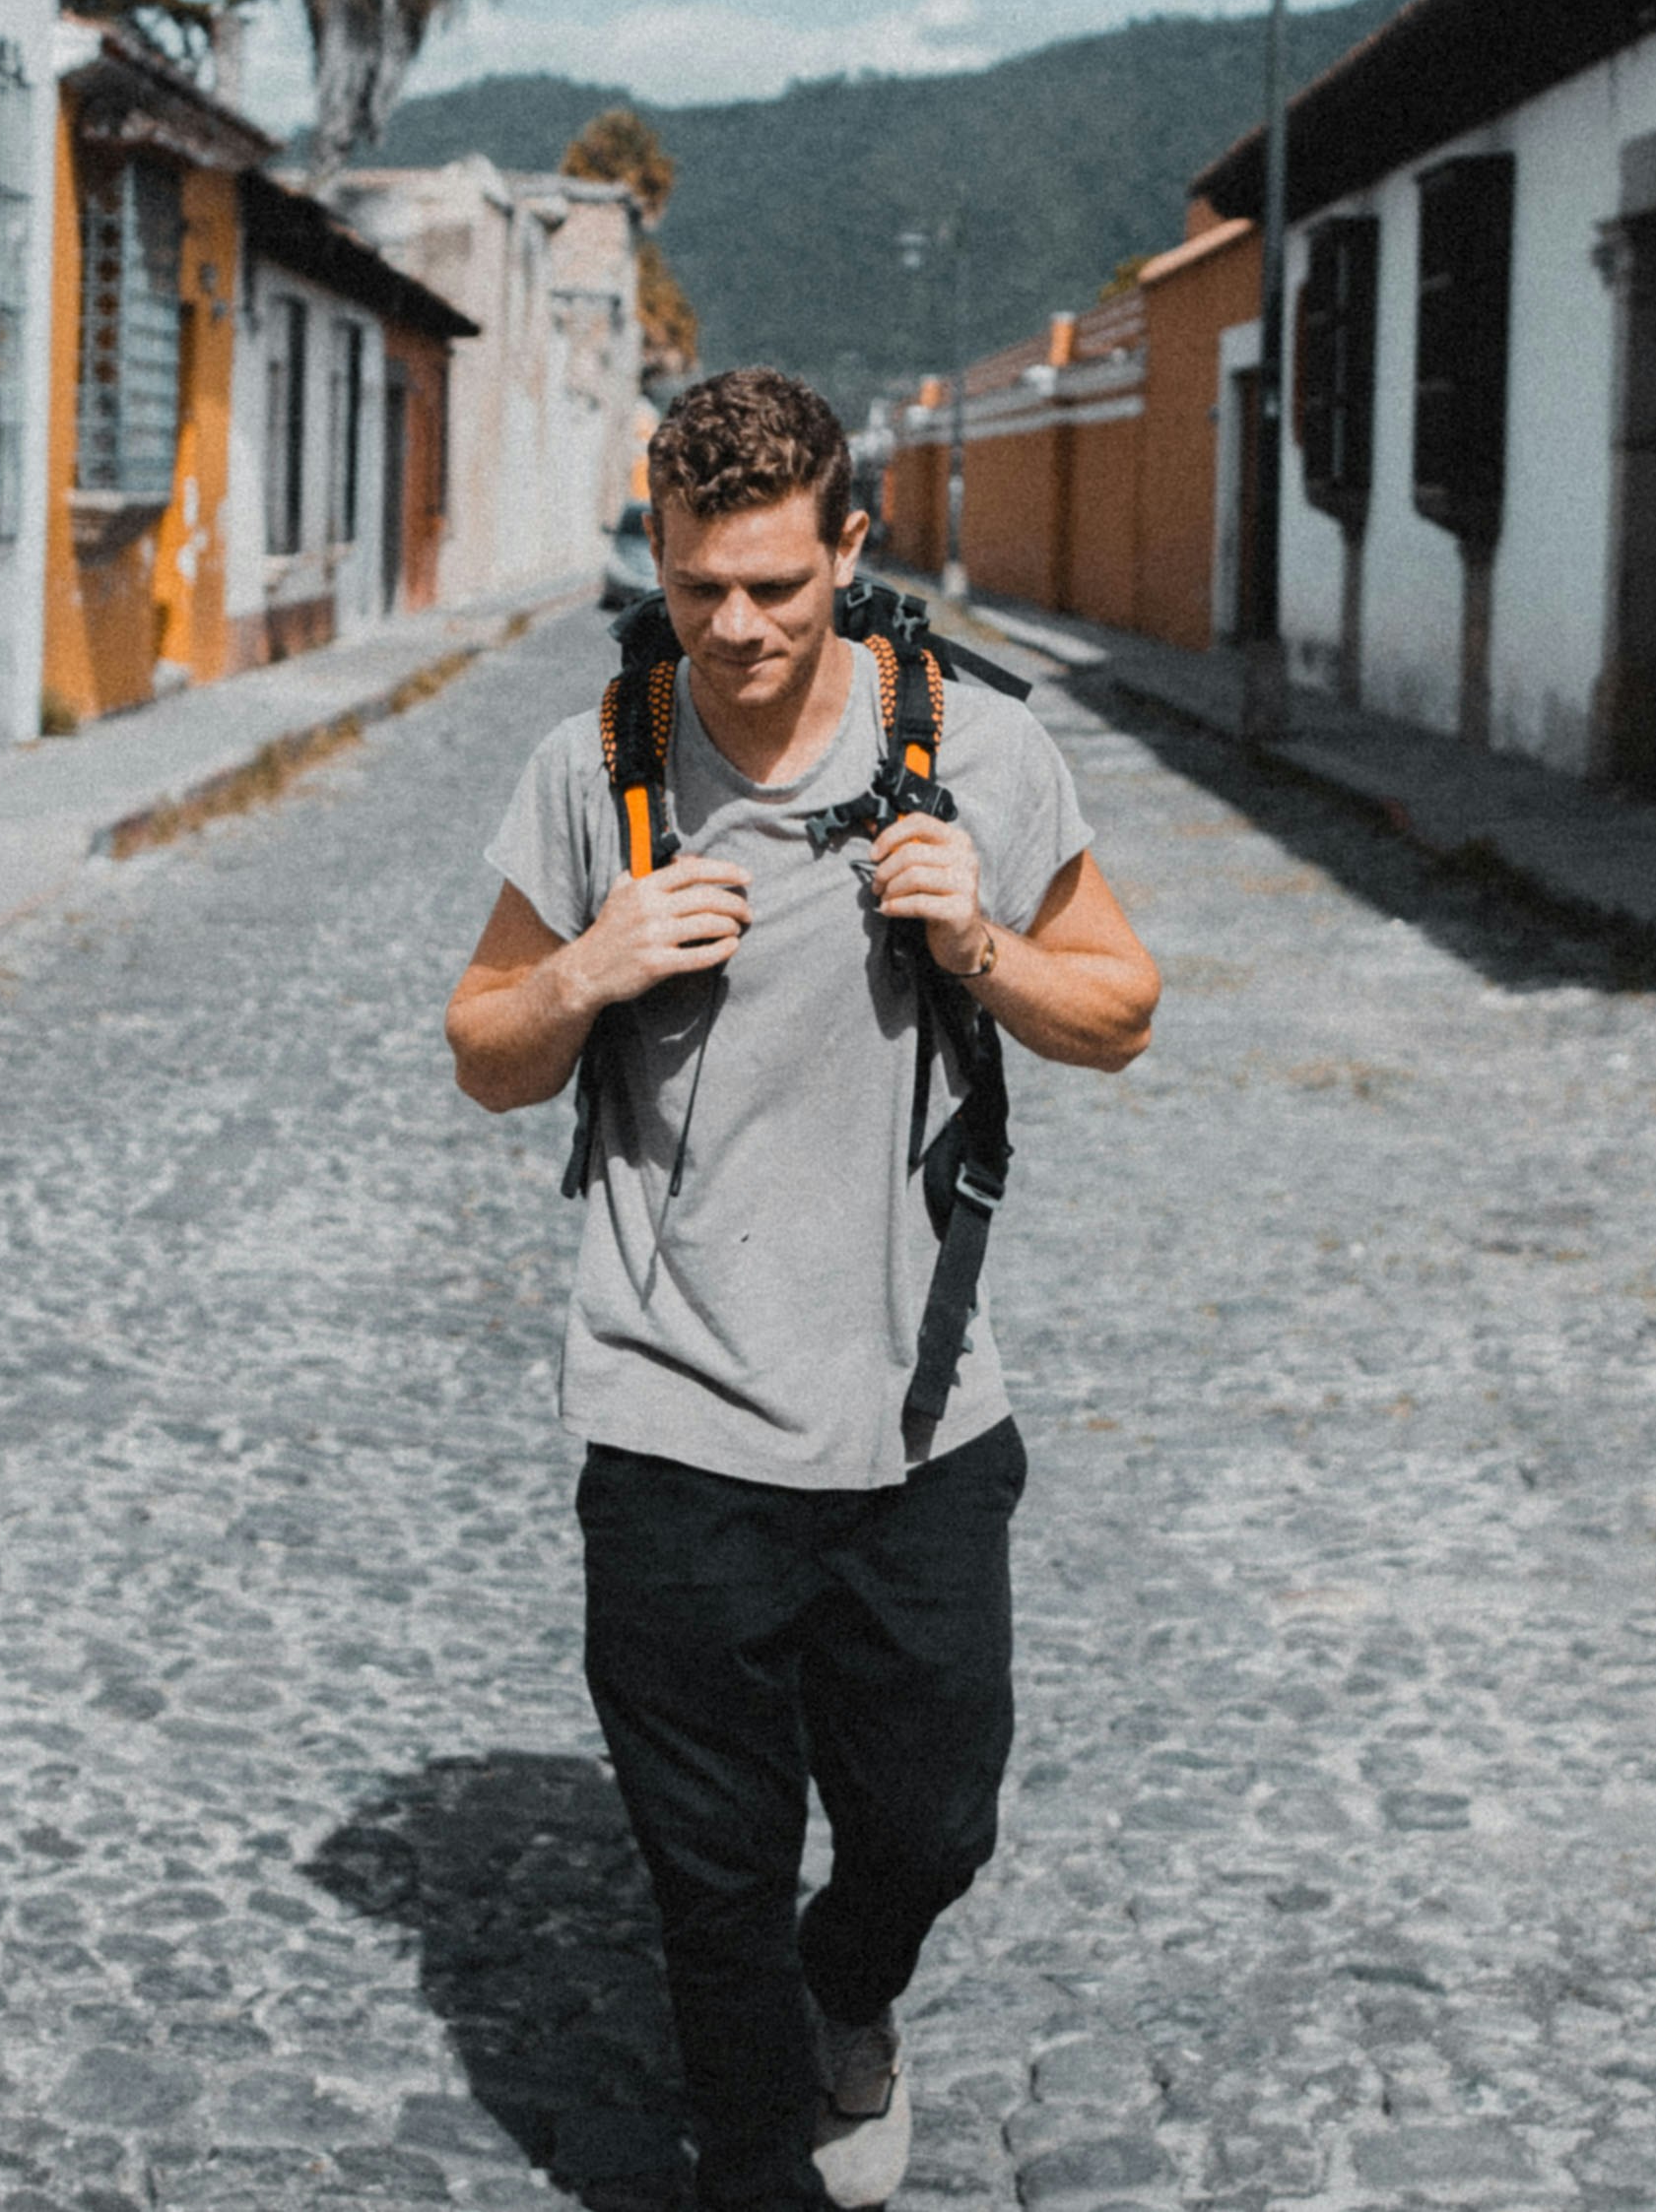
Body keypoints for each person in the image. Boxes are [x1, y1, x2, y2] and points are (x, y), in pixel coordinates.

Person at [445, 367, 1161, 2209]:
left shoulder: (978, 753)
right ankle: (759, 2153)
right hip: (669, 1409)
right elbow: (485, 1050)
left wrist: (978, 940)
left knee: (931, 1822)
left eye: (777, 584)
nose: (739, 630)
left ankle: (853, 1990)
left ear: (850, 544)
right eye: (699, 589)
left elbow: (1122, 1008)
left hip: (921, 1411)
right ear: (659, 560)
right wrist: (590, 964)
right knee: (710, 1877)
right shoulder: (587, 770)